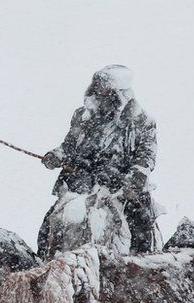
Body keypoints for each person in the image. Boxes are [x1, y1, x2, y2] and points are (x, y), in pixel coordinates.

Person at [37, 64, 158, 256]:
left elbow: (146, 156)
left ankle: (142, 263)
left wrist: (132, 178)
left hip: (119, 187)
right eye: (97, 85)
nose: (100, 90)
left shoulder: (141, 120)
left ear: (119, 91)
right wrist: (56, 156)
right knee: (50, 225)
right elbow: (69, 146)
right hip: (81, 182)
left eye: (105, 86)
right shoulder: (83, 115)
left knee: (140, 226)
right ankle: (45, 259)